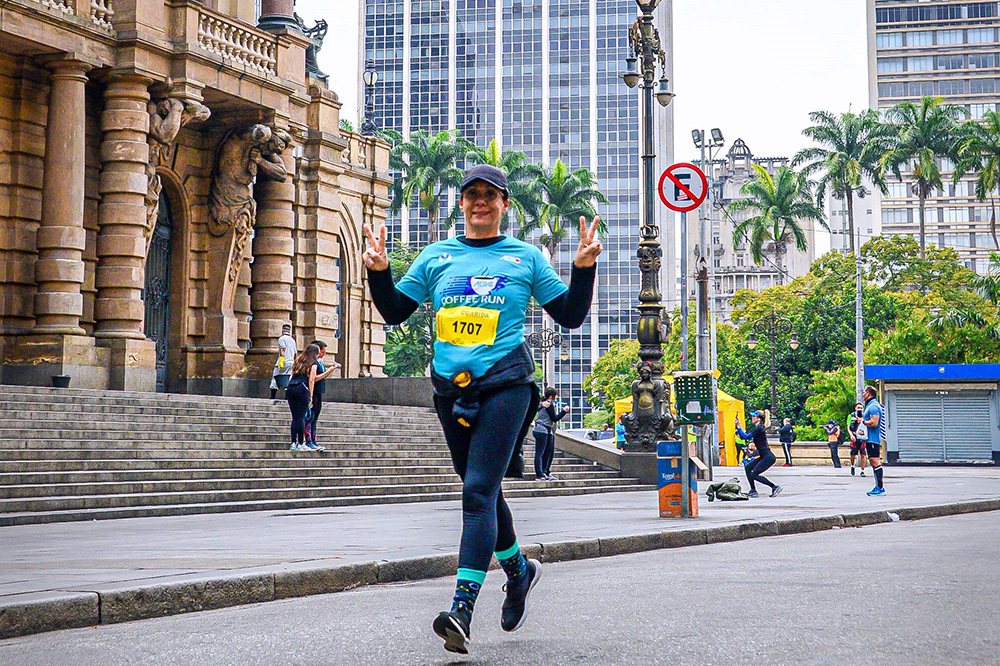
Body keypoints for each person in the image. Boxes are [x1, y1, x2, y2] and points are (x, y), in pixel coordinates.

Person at [362, 163, 601, 654]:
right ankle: (519, 572)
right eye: (471, 195)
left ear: (504, 205)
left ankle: (462, 609)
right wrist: (379, 272)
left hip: (507, 385)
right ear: (462, 203)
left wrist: (583, 268)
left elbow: (572, 317)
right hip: (451, 390)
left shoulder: (525, 258)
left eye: (490, 196)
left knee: (476, 490)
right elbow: (392, 313)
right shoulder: (436, 256)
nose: (480, 203)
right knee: (483, 492)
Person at [734, 411, 782, 498]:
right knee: (748, 467)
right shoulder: (757, 427)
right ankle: (753, 490)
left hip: (768, 457)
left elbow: (745, 437)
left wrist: (739, 427)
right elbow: (743, 436)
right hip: (764, 455)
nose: (752, 418)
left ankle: (774, 487)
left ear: (759, 418)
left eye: (754, 416)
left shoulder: (759, 428)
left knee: (754, 474)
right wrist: (738, 426)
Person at [306, 340, 341, 451]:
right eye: (323, 351)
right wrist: (330, 370)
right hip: (313, 392)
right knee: (310, 417)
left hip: (319, 392)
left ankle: (314, 440)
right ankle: (308, 440)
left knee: (315, 418)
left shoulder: (319, 362)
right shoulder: (313, 363)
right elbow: (313, 378)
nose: (324, 353)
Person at [286, 344, 321, 452]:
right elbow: (311, 379)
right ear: (315, 353)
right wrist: (310, 395)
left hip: (291, 388)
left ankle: (293, 443)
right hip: (302, 388)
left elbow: (291, 375)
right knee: (301, 417)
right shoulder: (313, 363)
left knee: (294, 417)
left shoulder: (297, 361)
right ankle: (301, 443)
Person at [532, 387, 569, 481]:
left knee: (548, 453)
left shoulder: (544, 403)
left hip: (547, 430)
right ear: (552, 396)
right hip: (542, 430)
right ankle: (540, 474)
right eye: (555, 396)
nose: (556, 398)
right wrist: (564, 411)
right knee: (541, 453)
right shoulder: (547, 404)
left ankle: (545, 472)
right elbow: (554, 418)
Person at [862, 386, 887, 496]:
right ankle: (878, 486)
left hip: (873, 438)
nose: (863, 395)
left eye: (864, 392)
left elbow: (874, 422)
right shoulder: (871, 405)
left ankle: (880, 487)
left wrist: (863, 422)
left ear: (868, 393)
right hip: (870, 439)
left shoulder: (873, 407)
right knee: (873, 461)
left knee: (875, 461)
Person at [270, 324, 296, 399]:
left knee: (275, 377)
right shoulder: (292, 340)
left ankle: (272, 397)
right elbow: (295, 353)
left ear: (282, 330)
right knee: (288, 379)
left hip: (283, 361)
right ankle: (286, 398)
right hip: (291, 362)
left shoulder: (282, 339)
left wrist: (281, 360)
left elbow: (282, 349)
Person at [848, 401, 868, 477]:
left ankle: (862, 470)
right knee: (853, 454)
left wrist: (862, 421)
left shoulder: (865, 416)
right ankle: (852, 465)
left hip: (862, 437)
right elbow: (848, 426)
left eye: (861, 408)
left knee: (863, 454)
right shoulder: (851, 416)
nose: (859, 409)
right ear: (855, 408)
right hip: (854, 436)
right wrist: (851, 435)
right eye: (858, 408)